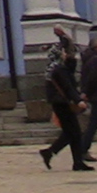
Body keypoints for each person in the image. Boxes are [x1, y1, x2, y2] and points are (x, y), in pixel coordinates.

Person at [39, 34, 92, 171]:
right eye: (63, 52)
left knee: (72, 132)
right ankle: (71, 159)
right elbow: (68, 87)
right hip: (62, 103)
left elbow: (71, 64)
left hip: (60, 103)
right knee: (74, 132)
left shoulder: (57, 68)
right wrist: (78, 100)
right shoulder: (59, 70)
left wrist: (64, 37)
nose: (65, 53)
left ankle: (54, 154)